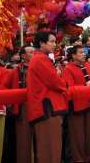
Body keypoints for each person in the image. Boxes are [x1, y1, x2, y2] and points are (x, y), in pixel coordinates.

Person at [27, 31, 67, 163]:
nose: (54, 44)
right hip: (46, 108)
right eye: (51, 41)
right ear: (41, 43)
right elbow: (55, 82)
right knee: (50, 147)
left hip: (46, 107)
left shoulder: (40, 58)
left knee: (50, 146)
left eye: (55, 41)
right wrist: (62, 80)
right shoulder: (40, 59)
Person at [62, 45, 90, 163]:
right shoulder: (67, 69)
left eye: (84, 52)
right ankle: (79, 160)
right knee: (77, 136)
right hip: (76, 106)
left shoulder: (88, 66)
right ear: (73, 56)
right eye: (80, 52)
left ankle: (88, 159)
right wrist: (85, 87)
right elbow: (70, 87)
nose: (84, 54)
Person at [9, 46, 34, 163]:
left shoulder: (40, 67)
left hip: (39, 105)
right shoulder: (16, 70)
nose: (34, 54)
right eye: (31, 52)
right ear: (23, 56)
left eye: (35, 51)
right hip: (23, 107)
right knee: (24, 140)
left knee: (41, 139)